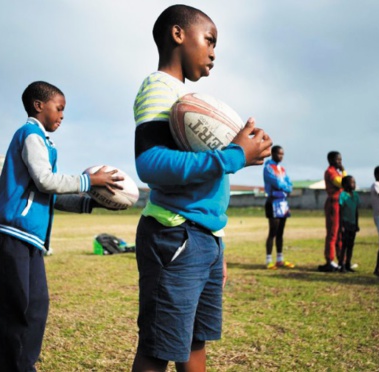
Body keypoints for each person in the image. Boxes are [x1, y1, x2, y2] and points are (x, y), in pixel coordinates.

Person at [132, 5, 272, 371]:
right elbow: (150, 165)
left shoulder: (185, 98)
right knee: (159, 347)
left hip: (202, 238)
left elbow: (206, 185)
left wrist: (217, 245)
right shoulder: (158, 88)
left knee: (195, 341)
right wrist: (233, 156)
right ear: (178, 35)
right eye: (209, 40)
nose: (213, 51)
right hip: (173, 233)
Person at [0, 81, 121, 371]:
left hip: (30, 239)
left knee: (36, 306)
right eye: (59, 108)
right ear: (39, 106)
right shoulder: (30, 134)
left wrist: (90, 202)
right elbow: (45, 180)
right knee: (12, 308)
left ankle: (25, 364)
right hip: (11, 235)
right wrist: (89, 182)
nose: (62, 115)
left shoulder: (45, 142)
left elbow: (50, 192)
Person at [263, 145, 294, 269]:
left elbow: (289, 183)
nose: (281, 156)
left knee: (281, 233)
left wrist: (287, 186)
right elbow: (277, 182)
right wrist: (286, 187)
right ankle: (269, 260)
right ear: (273, 154)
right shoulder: (268, 168)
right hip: (273, 202)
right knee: (273, 232)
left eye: (282, 154)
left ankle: (280, 259)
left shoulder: (282, 169)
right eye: (279, 154)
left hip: (283, 202)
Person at [319, 151, 346, 272]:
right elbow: (343, 183)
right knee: (333, 233)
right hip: (333, 204)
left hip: (340, 204)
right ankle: (329, 260)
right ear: (330, 160)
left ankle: (342, 260)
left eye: (340, 160)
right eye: (337, 160)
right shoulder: (330, 172)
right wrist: (344, 171)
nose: (340, 162)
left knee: (341, 233)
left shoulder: (336, 172)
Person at [338, 175, 359, 273]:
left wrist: (357, 223)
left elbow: (356, 211)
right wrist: (341, 225)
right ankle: (341, 264)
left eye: (354, 182)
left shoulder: (355, 195)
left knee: (351, 245)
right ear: (345, 184)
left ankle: (348, 264)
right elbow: (340, 211)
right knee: (345, 245)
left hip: (353, 223)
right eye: (351, 182)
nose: (353, 184)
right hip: (345, 223)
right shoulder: (342, 195)